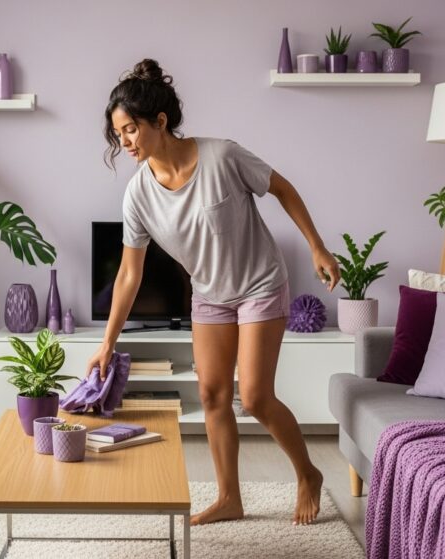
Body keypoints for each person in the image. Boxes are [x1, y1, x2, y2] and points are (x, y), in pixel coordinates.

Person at [86, 59, 341, 527]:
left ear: (159, 122)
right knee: (211, 394)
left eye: (130, 129)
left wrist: (318, 248)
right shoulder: (138, 195)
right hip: (210, 295)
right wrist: (107, 343)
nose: (124, 142)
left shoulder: (223, 156)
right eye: (117, 133)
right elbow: (128, 275)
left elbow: (282, 188)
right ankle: (229, 498)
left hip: (261, 283)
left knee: (258, 397)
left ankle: (308, 474)